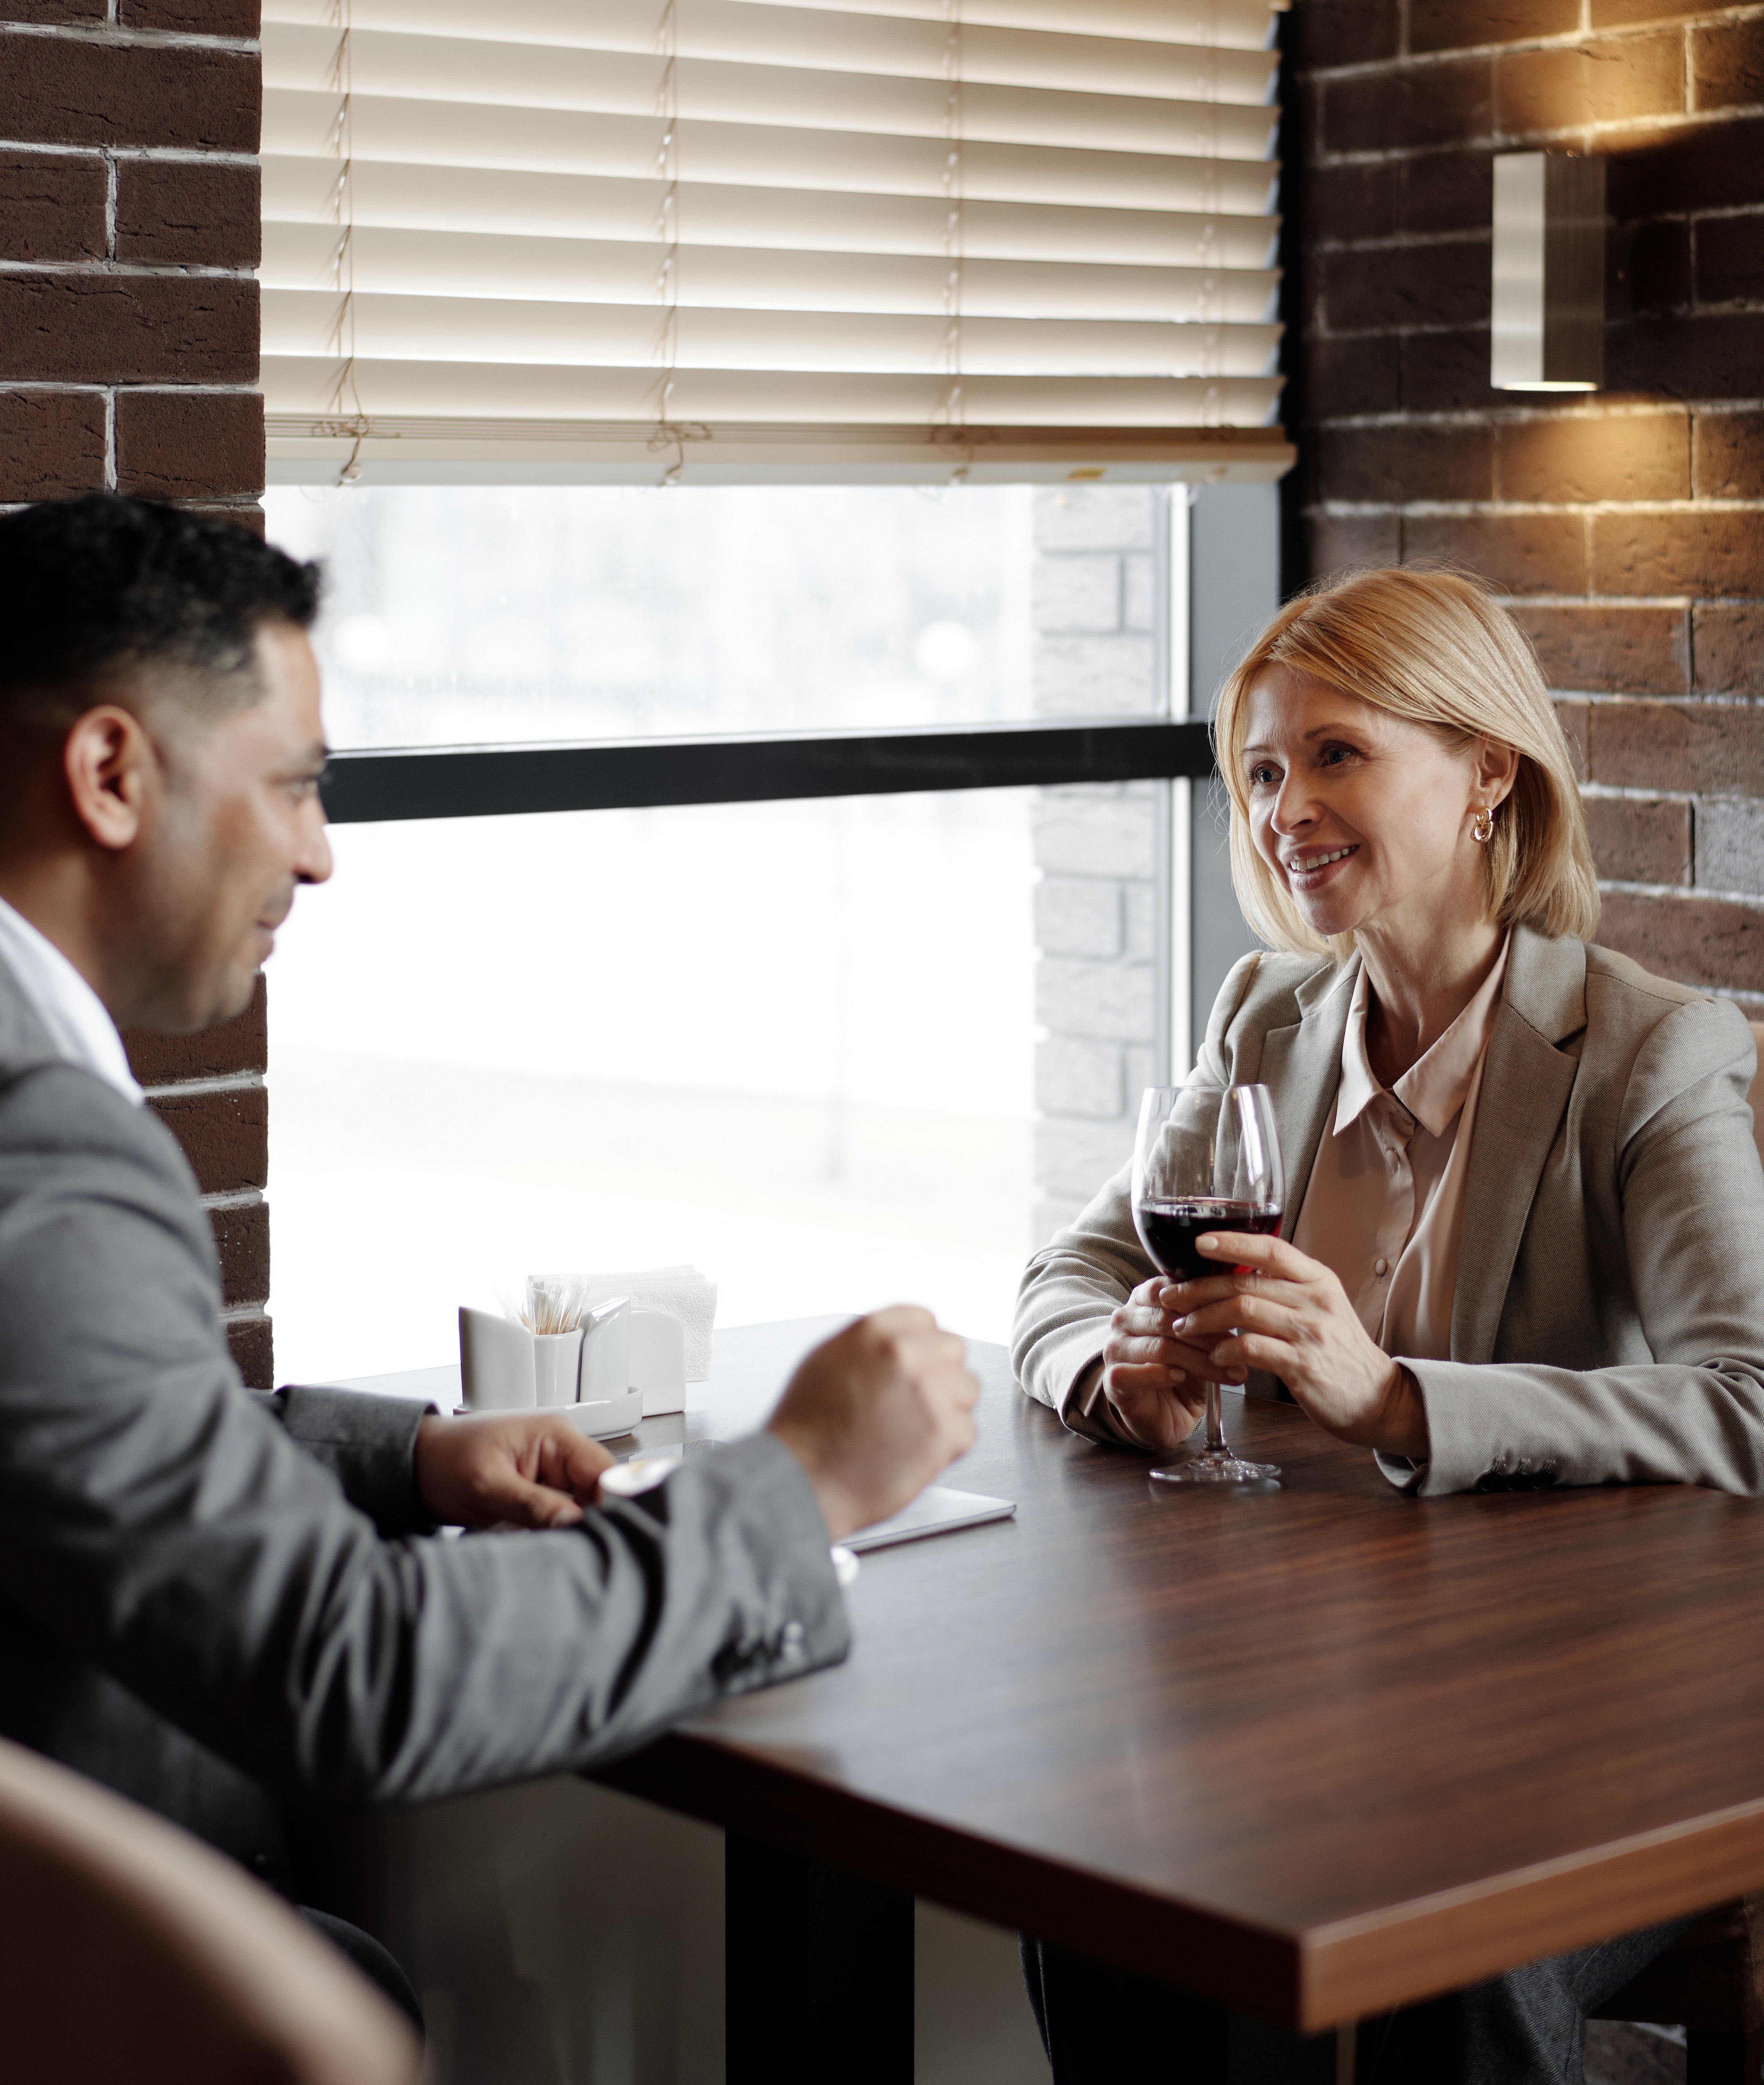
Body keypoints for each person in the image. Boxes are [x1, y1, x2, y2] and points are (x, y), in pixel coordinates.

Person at [0, 492, 979, 2015]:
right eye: (296, 786)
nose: (321, 856)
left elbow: (70, 1427)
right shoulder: (38, 1139)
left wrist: (407, 1458)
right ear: (112, 772)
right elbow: (352, 1673)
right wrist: (798, 1482)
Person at [1012, 562, 1764, 2084]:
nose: (1284, 805)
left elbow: (1745, 1399)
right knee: (1102, 1876)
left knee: (1443, 1944)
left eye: (1335, 753)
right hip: (1306, 1695)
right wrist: (1117, 1370)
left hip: (1588, 1721)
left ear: (1487, 771)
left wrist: (1396, 1398)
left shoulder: (1644, 1049)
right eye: (1263, 769)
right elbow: (1059, 1280)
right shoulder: (1260, 1019)